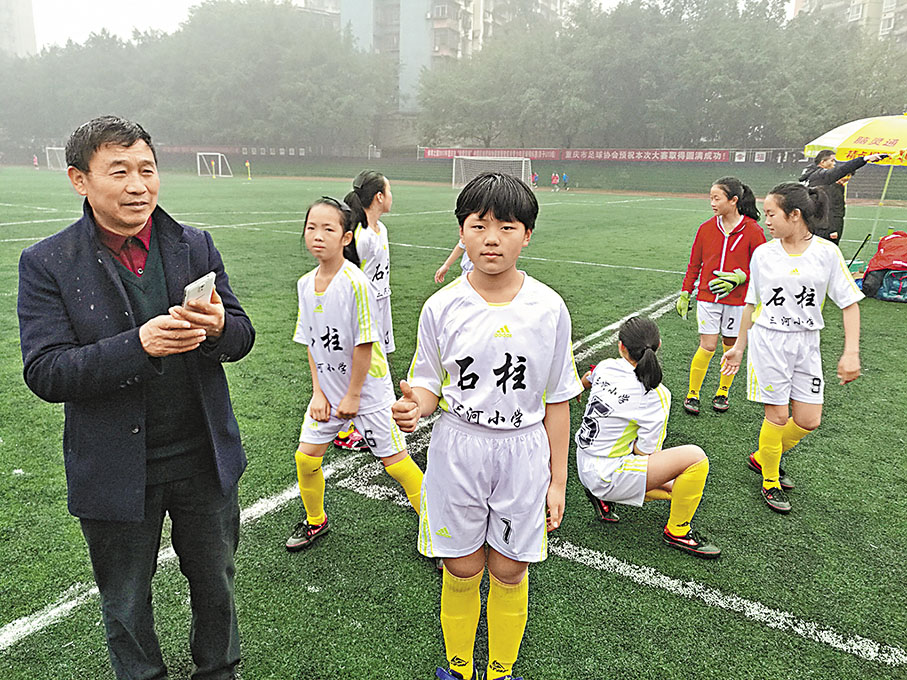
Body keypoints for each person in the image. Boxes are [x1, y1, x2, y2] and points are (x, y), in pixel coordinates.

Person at [17, 116, 255, 680]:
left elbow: (241, 336)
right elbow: (46, 372)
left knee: (216, 585)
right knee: (125, 602)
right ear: (80, 179)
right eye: (118, 171)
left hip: (203, 457)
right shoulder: (48, 263)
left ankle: (219, 671)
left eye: (147, 170)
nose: (137, 185)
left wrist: (220, 328)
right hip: (115, 467)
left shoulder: (193, 245)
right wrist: (138, 346)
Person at [393, 172, 582, 680]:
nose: (491, 238)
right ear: (462, 232)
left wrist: (558, 480)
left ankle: (500, 670)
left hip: (523, 449)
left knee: (509, 568)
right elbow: (429, 384)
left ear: (527, 234)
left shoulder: (548, 307)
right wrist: (417, 407)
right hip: (459, 445)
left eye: (507, 225)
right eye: (479, 225)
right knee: (461, 566)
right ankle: (459, 668)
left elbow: (559, 399)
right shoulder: (441, 307)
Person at [287, 196, 423, 550]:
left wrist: (352, 395)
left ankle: (439, 532)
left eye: (328, 228)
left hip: (369, 393)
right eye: (311, 227)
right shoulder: (304, 285)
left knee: (396, 463)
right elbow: (311, 344)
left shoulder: (355, 283)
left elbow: (365, 344)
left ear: (346, 237)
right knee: (306, 457)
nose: (318, 235)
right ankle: (316, 521)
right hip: (329, 395)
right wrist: (319, 393)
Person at [721, 182, 863, 514]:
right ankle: (770, 480)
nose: (766, 220)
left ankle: (763, 455)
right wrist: (739, 347)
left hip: (806, 343)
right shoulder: (763, 254)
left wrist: (851, 352)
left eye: (771, 213)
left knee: (809, 420)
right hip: (768, 341)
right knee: (778, 415)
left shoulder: (827, 253)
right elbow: (750, 303)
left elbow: (850, 304)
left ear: (795, 215)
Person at [576, 317, 721, 559]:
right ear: (659, 345)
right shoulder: (656, 394)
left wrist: (581, 386)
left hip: (584, 463)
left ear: (620, 346)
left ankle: (601, 494)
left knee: (678, 486)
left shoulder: (606, 366)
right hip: (606, 474)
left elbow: (590, 376)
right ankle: (677, 530)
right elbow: (646, 453)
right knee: (695, 460)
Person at [676, 177, 766, 415]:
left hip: (738, 301)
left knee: (730, 346)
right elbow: (694, 264)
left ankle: (722, 392)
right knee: (707, 345)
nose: (712, 203)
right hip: (707, 298)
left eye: (717, 198)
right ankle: (693, 393)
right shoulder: (706, 228)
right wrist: (686, 291)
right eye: (711, 198)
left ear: (733, 200)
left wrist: (741, 277)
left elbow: (762, 268)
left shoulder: (753, 230)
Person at [330, 170, 397, 454]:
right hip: (362, 311)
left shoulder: (380, 231)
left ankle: (374, 419)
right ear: (379, 197)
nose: (392, 196)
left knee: (375, 366)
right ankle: (345, 430)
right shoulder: (359, 235)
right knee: (358, 365)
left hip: (381, 304)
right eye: (389, 190)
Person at [799, 150, 885, 244]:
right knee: (827, 252)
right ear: (823, 162)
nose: (834, 164)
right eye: (832, 160)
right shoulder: (821, 176)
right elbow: (831, 208)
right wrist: (865, 159)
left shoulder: (810, 175)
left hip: (812, 224)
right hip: (824, 227)